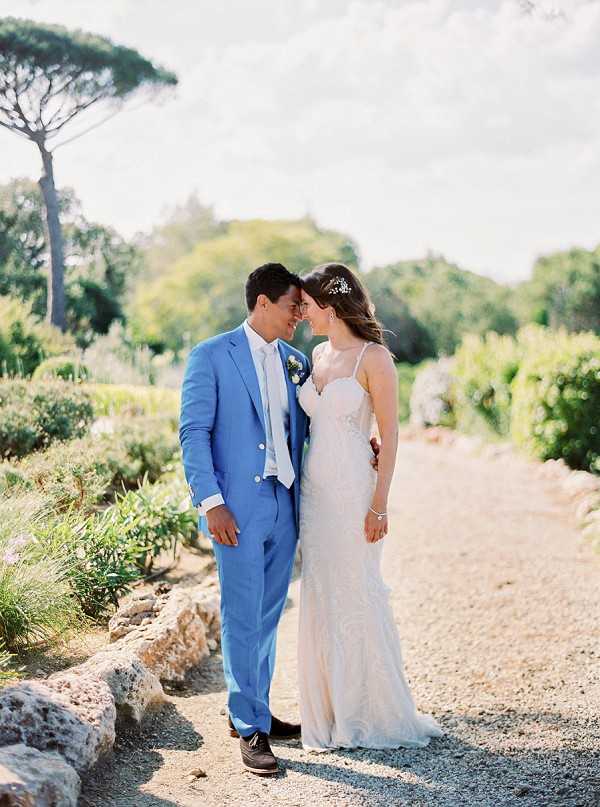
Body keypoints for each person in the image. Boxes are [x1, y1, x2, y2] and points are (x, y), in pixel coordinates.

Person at [297, 262, 443, 751]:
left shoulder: (374, 358)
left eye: (308, 305)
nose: (302, 312)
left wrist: (379, 505)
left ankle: (368, 714)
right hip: (315, 497)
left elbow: (390, 435)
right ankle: (331, 713)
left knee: (356, 592)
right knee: (321, 594)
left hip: (354, 493)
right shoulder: (317, 355)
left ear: (330, 306)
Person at [179, 263, 310, 775]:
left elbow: (310, 428)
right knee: (241, 613)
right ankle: (250, 726)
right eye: (293, 306)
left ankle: (255, 708)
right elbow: (194, 432)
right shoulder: (212, 355)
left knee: (269, 615)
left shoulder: (296, 361)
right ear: (263, 303)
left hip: (284, 503)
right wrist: (211, 502)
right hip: (235, 508)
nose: (299, 316)